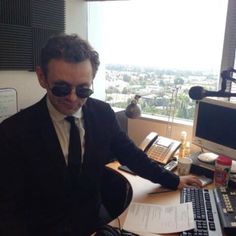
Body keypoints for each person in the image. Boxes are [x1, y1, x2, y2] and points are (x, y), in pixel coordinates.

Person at [0, 33, 202, 236]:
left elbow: (131, 155)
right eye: (62, 88)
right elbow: (8, 210)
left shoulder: (103, 114)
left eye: (83, 90)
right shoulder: (13, 133)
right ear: (42, 77)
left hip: (94, 222)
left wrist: (174, 180)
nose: (72, 98)